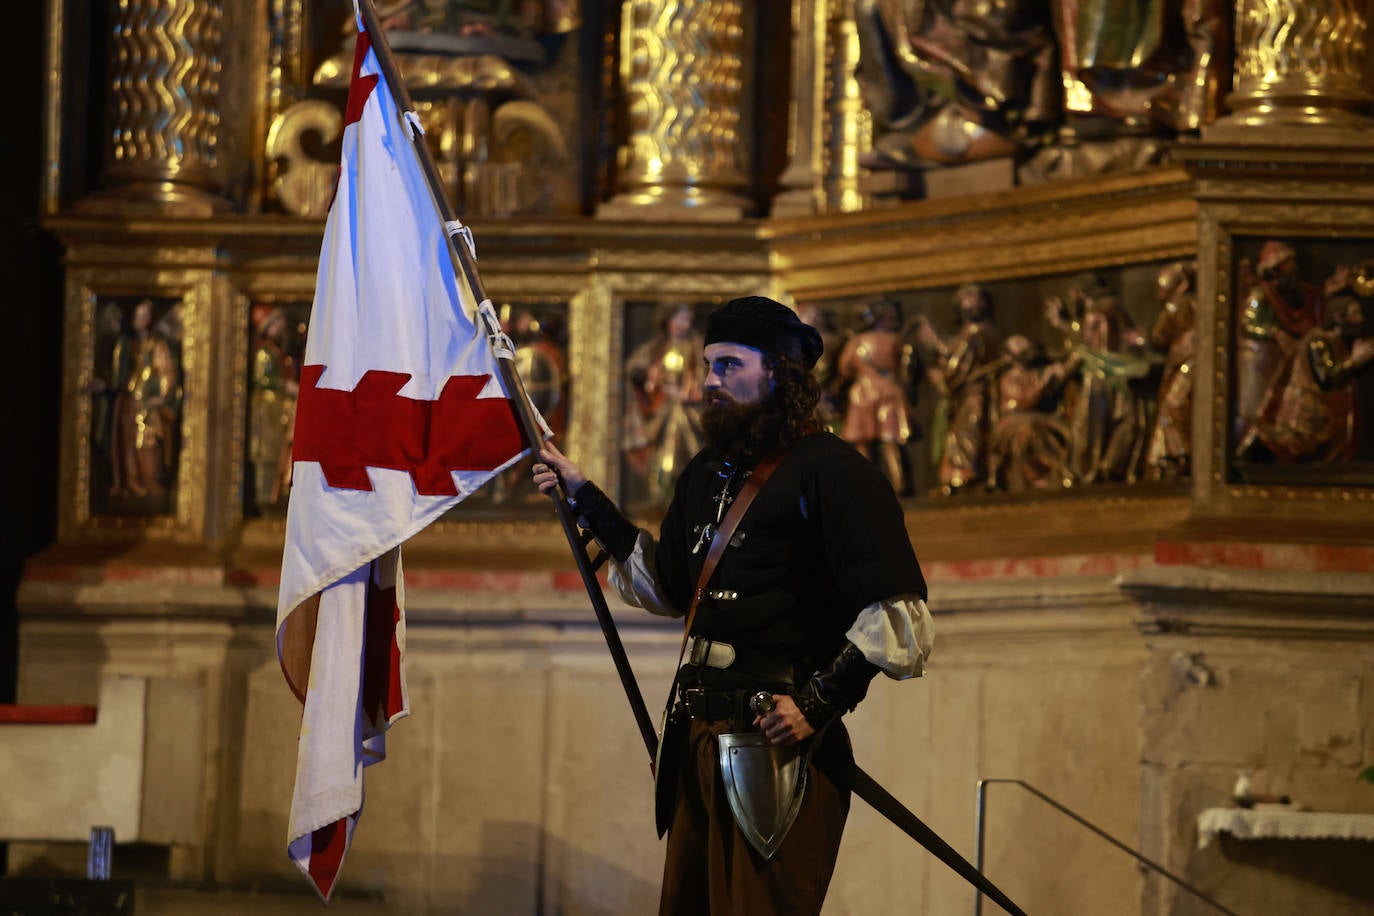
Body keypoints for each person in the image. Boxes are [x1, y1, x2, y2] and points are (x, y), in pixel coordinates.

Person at [532, 296, 934, 915]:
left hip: (773, 749)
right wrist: (585, 498)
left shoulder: (835, 472)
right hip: (694, 741)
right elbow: (664, 584)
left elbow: (898, 612)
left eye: (728, 366)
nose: (709, 383)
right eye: (708, 366)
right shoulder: (704, 475)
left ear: (777, 372)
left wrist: (819, 704)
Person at [1245, 295, 1374, 463]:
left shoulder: (1334, 341)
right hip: (1303, 414)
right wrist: (1354, 361)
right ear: (1339, 317)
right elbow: (1326, 378)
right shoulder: (1317, 341)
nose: (1360, 319)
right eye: (1355, 313)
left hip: (1321, 415)